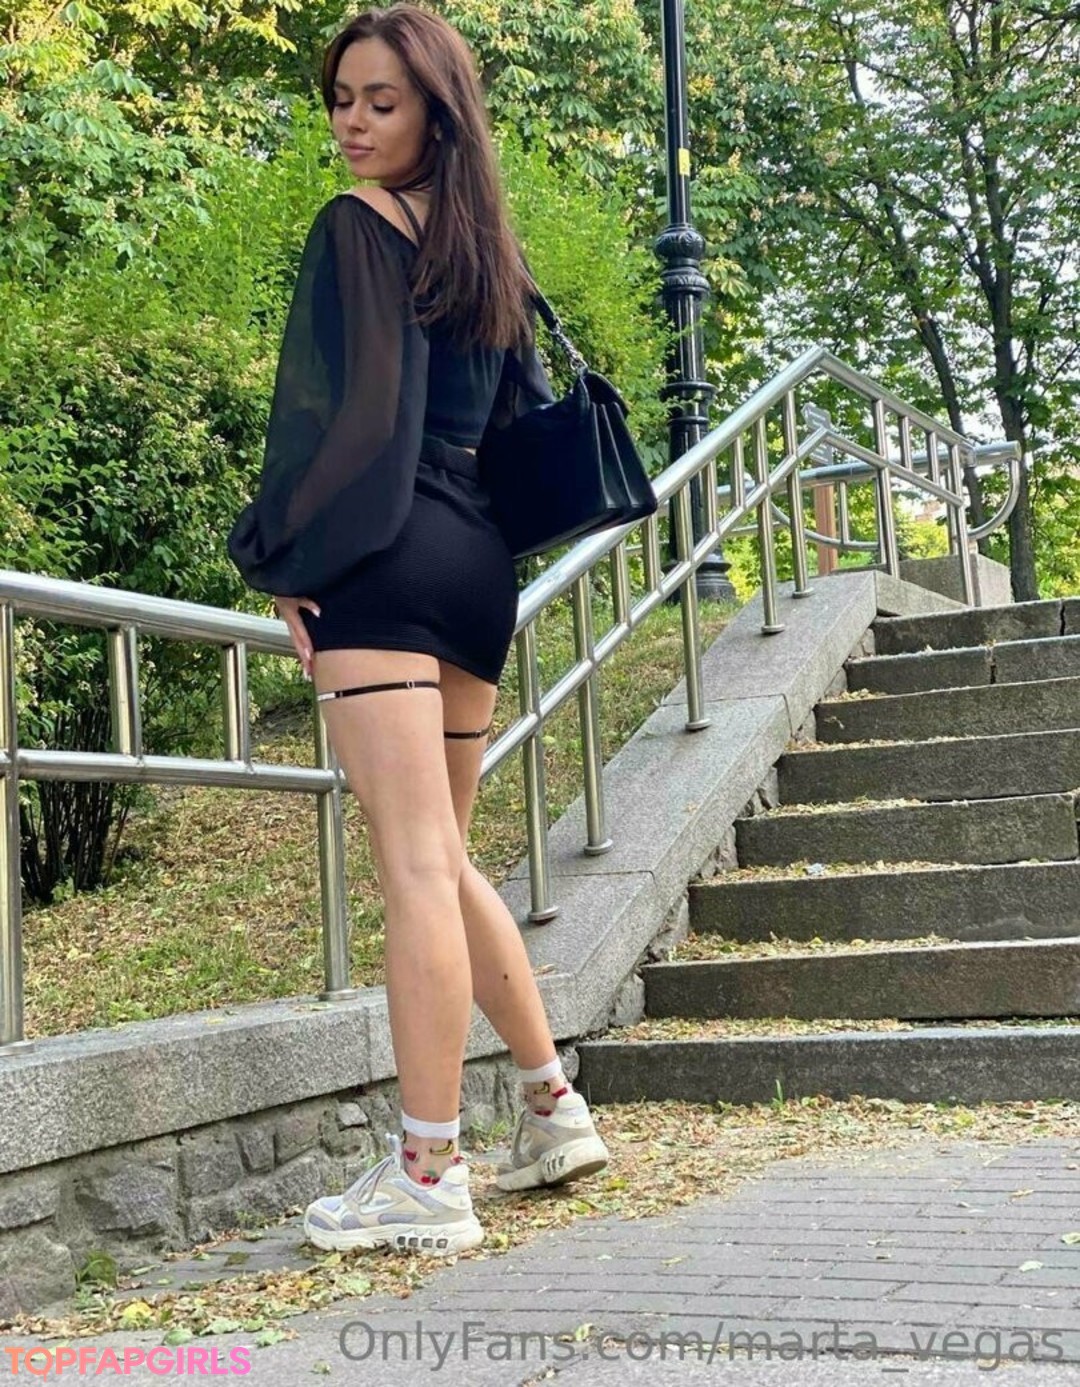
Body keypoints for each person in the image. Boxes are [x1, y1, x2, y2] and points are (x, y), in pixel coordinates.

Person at [227, 3, 609, 1257]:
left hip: (388, 568)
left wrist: (274, 553)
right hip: (476, 572)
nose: (352, 123)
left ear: (436, 113)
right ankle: (552, 1106)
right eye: (341, 99)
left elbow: (347, 421)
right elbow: (505, 423)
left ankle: (428, 1176)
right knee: (443, 857)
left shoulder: (358, 225)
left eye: (380, 102)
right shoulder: (486, 247)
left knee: (409, 869)